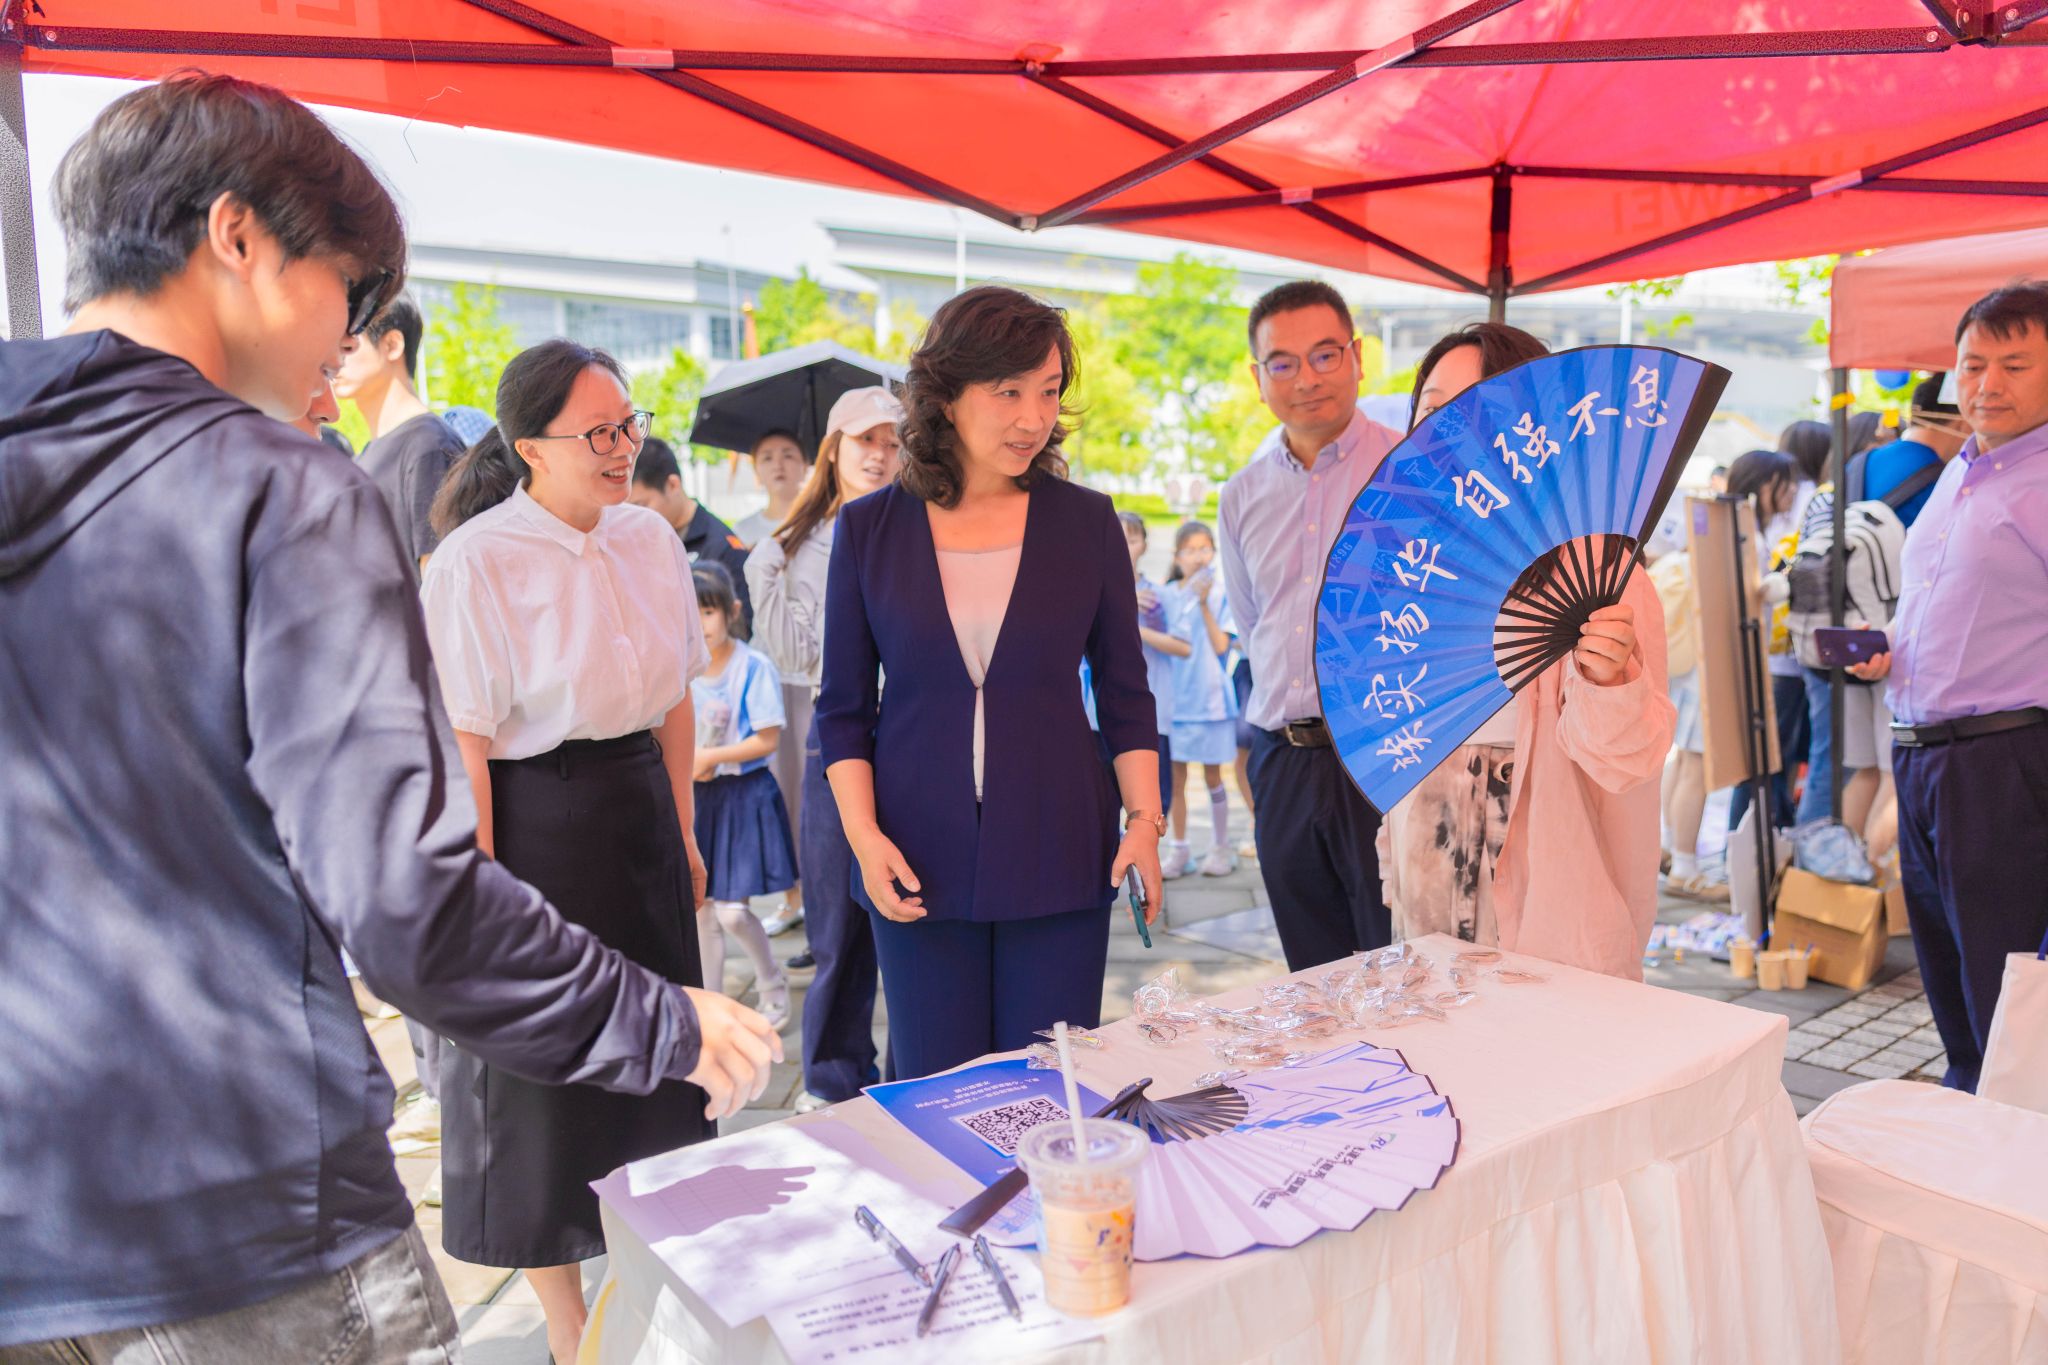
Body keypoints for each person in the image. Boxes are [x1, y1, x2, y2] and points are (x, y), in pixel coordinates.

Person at [0, 74, 775, 1364]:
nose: (347, 340)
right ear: (237, 237)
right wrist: (665, 1020)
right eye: (345, 292)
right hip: (242, 1206)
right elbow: (406, 901)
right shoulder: (275, 489)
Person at [420, 340, 741, 1365]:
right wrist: (478, 888)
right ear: (530, 447)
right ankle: (566, 1321)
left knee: (660, 1055)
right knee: (537, 1075)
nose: (621, 447)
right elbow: (466, 743)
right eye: (596, 432)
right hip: (532, 820)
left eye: (629, 424)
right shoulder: (476, 560)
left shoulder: (649, 538)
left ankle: (654, 1281)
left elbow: (677, 694)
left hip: (639, 803)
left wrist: (682, 830)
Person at [817, 285, 1164, 1080]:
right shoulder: (869, 529)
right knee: (937, 1087)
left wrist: (1144, 821)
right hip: (912, 851)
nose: (1033, 418)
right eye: (1008, 391)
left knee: (1051, 1084)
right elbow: (842, 711)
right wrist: (864, 839)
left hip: (1060, 843)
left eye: (1048, 391)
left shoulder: (1087, 522)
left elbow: (1126, 693)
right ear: (945, 395)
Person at [1377, 324, 1676, 978]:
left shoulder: (1601, 568)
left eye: (1482, 407)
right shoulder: (1407, 563)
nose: (1452, 428)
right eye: (1434, 409)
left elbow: (1630, 762)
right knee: (1434, 1031)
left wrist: (1609, 682)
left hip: (1548, 880)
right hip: (1425, 854)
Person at [1849, 282, 2048, 1092]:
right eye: (1972, 365)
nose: (1987, 384)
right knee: (1946, 971)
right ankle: (1969, 1105)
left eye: (2015, 365)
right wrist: (1889, 650)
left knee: (2007, 985)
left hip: (2004, 760)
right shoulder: (1959, 472)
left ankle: (2010, 1133)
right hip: (1922, 754)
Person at [1220, 282, 1401, 970]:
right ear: (1258, 377)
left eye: (1325, 355)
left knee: (1401, 969)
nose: (1307, 379)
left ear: (1357, 357)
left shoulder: (1408, 470)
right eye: (1284, 363)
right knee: (1312, 978)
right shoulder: (1242, 494)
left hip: (1386, 758)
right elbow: (1252, 624)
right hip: (1283, 763)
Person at [746, 386, 906, 1103]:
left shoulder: (921, 528)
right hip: (834, 740)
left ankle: (913, 1071)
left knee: (910, 918)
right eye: (865, 440)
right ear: (834, 449)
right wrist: (768, 566)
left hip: (912, 738)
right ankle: (834, 1076)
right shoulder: (794, 546)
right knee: (836, 924)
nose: (879, 454)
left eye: (893, 442)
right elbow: (794, 658)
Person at [689, 561, 797, 1031]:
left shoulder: (753, 666)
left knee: (733, 911)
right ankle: (711, 1008)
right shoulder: (682, 670)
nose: (700, 624)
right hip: (698, 799)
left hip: (743, 796)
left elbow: (767, 739)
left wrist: (710, 757)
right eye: (691, 613)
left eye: (708, 612)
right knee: (703, 909)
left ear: (731, 612)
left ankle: (772, 984)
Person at [333, 294, 467, 576]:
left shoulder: (430, 446)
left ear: (392, 344)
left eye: (349, 340)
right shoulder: (368, 453)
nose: (335, 354)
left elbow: (440, 581)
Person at [1722, 448, 1810, 834]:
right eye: (1784, 484)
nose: (1791, 492)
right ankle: (1741, 841)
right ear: (1763, 485)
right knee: (1757, 761)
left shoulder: (1752, 533)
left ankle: (1747, 839)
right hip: (1758, 660)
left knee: (1762, 759)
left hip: (1762, 659)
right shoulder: (1747, 537)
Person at [1647, 508, 1721, 900]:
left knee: (1681, 764)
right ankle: (1685, 867)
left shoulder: (1673, 565)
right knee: (1697, 768)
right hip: (1702, 678)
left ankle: (1671, 849)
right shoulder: (1705, 567)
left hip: (1679, 674)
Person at [1160, 521, 1240, 879]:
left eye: (1205, 549)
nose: (1198, 557)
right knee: (1175, 781)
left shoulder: (1222, 594)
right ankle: (1179, 850)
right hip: (1175, 701)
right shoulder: (1166, 595)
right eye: (1190, 550)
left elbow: (1222, 646)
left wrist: (1204, 604)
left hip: (1212, 701)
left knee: (1213, 778)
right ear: (1177, 556)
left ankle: (1221, 847)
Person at [630, 435, 755, 634]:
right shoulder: (638, 543)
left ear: (673, 485)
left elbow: (742, 629)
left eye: (641, 505)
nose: (635, 517)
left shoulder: (722, 547)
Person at [732, 427, 809, 548]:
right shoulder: (741, 532)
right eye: (767, 458)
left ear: (805, 466)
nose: (778, 465)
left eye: (788, 456)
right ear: (756, 471)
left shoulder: (825, 526)